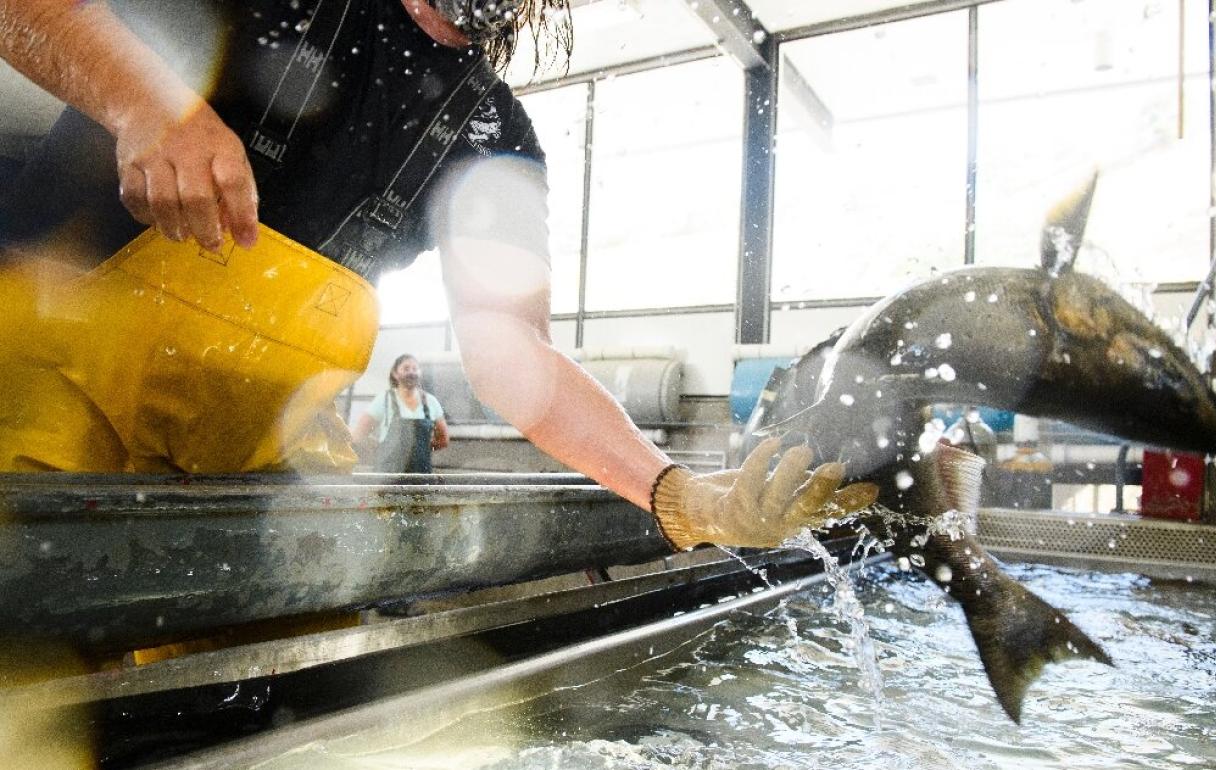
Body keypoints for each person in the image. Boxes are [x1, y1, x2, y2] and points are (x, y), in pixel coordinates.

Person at [0, 0, 875, 549]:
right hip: (35, 410)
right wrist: (144, 101)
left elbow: (514, 357)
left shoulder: (495, 136)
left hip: (236, 475)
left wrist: (677, 493)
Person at [351, 354, 450, 473]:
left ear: (420, 373)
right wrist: (381, 449)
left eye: (415, 369)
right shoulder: (384, 399)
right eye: (406, 368)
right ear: (395, 374)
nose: (411, 372)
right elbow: (358, 434)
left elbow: (443, 440)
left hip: (420, 476)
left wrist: (421, 450)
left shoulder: (431, 402)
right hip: (387, 476)